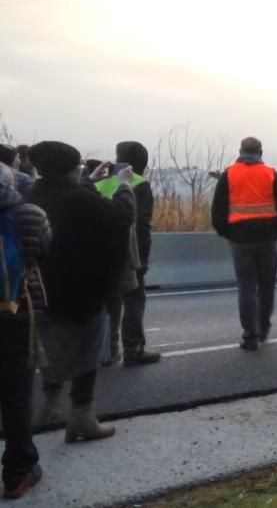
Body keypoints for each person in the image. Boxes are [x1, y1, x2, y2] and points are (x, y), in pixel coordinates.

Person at [28, 141, 135, 443]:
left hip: (40, 288)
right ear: (70, 169)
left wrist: (91, 180)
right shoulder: (81, 200)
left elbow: (70, 195)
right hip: (83, 288)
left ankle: (49, 407)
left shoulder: (32, 194)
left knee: (48, 350)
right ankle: (82, 416)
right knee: (87, 351)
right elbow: (120, 217)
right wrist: (123, 186)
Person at [211, 137, 277, 350]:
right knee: (267, 286)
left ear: (240, 150)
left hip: (240, 238)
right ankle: (263, 327)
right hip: (268, 239)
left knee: (246, 285)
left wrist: (227, 233)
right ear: (260, 152)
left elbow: (218, 210)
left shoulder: (229, 174)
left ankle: (250, 335)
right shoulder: (271, 174)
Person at [0, 164, 50, 499]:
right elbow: (44, 250)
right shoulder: (29, 214)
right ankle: (18, 472)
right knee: (17, 393)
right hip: (17, 310)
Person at [95, 142, 161, 366]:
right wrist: (141, 259)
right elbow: (141, 225)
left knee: (109, 303)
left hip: (100, 253)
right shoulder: (138, 183)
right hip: (126, 253)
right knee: (133, 299)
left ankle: (108, 350)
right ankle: (133, 349)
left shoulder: (100, 182)